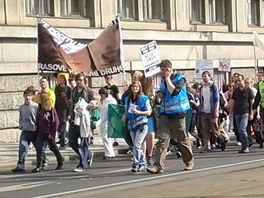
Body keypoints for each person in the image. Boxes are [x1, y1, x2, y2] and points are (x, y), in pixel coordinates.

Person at [147, 59, 194, 174]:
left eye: (164, 70)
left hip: (178, 115)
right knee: (162, 140)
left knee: (181, 139)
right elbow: (163, 93)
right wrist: (159, 95)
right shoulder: (163, 80)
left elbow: (174, 92)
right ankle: (158, 166)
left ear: (169, 69)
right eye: (161, 71)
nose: (163, 73)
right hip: (165, 115)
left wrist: (168, 79)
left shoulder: (180, 78)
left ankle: (189, 161)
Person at [69, 72, 96, 172]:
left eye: (81, 80)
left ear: (84, 80)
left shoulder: (88, 91)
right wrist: (69, 114)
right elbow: (71, 104)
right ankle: (88, 154)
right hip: (74, 119)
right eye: (78, 80)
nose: (79, 82)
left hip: (84, 119)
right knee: (72, 141)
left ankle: (82, 164)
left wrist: (85, 106)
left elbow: (94, 104)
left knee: (84, 142)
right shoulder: (73, 91)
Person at [122, 81, 151, 172]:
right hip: (131, 124)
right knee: (135, 145)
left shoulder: (144, 98)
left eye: (136, 87)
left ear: (139, 88)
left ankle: (138, 164)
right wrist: (124, 116)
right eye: (133, 87)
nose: (135, 88)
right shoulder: (128, 99)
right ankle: (141, 163)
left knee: (138, 145)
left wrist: (138, 112)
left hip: (141, 124)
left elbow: (148, 112)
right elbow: (127, 110)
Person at [32, 93, 63, 173]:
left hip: (49, 132)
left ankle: (60, 162)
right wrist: (36, 126)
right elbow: (38, 119)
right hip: (41, 131)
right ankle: (39, 165)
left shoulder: (50, 108)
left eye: (39, 98)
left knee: (53, 147)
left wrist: (52, 133)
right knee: (39, 148)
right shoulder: (39, 108)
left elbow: (56, 122)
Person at [11, 89, 39, 173]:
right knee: (22, 148)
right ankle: (20, 166)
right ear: (23, 96)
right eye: (26, 95)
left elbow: (38, 118)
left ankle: (42, 162)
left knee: (39, 149)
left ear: (32, 97)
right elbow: (21, 118)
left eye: (29, 96)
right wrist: (21, 125)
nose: (27, 97)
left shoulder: (36, 106)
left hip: (34, 131)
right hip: (25, 131)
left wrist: (37, 126)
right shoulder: (21, 107)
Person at [199, 71, 226, 152]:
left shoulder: (213, 86)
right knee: (205, 129)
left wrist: (216, 110)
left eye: (205, 76)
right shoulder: (202, 87)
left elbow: (217, 99)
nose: (204, 78)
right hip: (204, 111)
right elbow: (201, 99)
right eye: (203, 76)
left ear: (209, 77)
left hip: (212, 111)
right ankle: (208, 146)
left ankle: (221, 139)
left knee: (214, 129)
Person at [229, 74, 254, 153]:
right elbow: (233, 101)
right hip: (237, 113)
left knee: (242, 128)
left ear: (243, 80)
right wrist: (230, 112)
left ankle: (246, 145)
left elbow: (251, 102)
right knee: (239, 130)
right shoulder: (235, 91)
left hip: (245, 112)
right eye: (236, 81)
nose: (238, 82)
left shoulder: (248, 90)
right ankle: (244, 145)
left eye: (239, 80)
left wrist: (251, 113)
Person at [140, 76, 156, 166]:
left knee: (151, 135)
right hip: (141, 116)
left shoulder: (152, 92)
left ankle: (149, 155)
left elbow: (154, 104)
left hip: (150, 116)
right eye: (152, 81)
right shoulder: (141, 93)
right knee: (143, 137)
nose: (154, 82)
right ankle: (142, 157)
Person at [97, 88, 117, 159]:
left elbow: (115, 109)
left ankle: (109, 153)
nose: (101, 96)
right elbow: (99, 108)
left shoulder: (111, 100)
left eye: (102, 94)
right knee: (104, 137)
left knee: (106, 136)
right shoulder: (100, 100)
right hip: (102, 119)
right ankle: (109, 152)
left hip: (109, 120)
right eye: (100, 95)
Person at [54, 72, 71, 150]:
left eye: (61, 78)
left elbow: (70, 102)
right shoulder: (57, 88)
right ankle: (61, 140)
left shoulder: (68, 89)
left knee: (63, 126)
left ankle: (62, 143)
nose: (59, 80)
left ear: (65, 80)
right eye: (59, 78)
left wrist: (69, 113)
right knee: (58, 126)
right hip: (58, 109)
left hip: (65, 109)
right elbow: (55, 100)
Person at [104, 75, 121, 146]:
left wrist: (119, 106)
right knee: (108, 123)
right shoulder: (104, 88)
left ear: (111, 79)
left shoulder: (114, 87)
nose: (107, 80)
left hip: (114, 107)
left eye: (108, 78)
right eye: (106, 78)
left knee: (114, 123)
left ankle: (115, 140)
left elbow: (118, 96)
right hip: (107, 107)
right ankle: (110, 139)